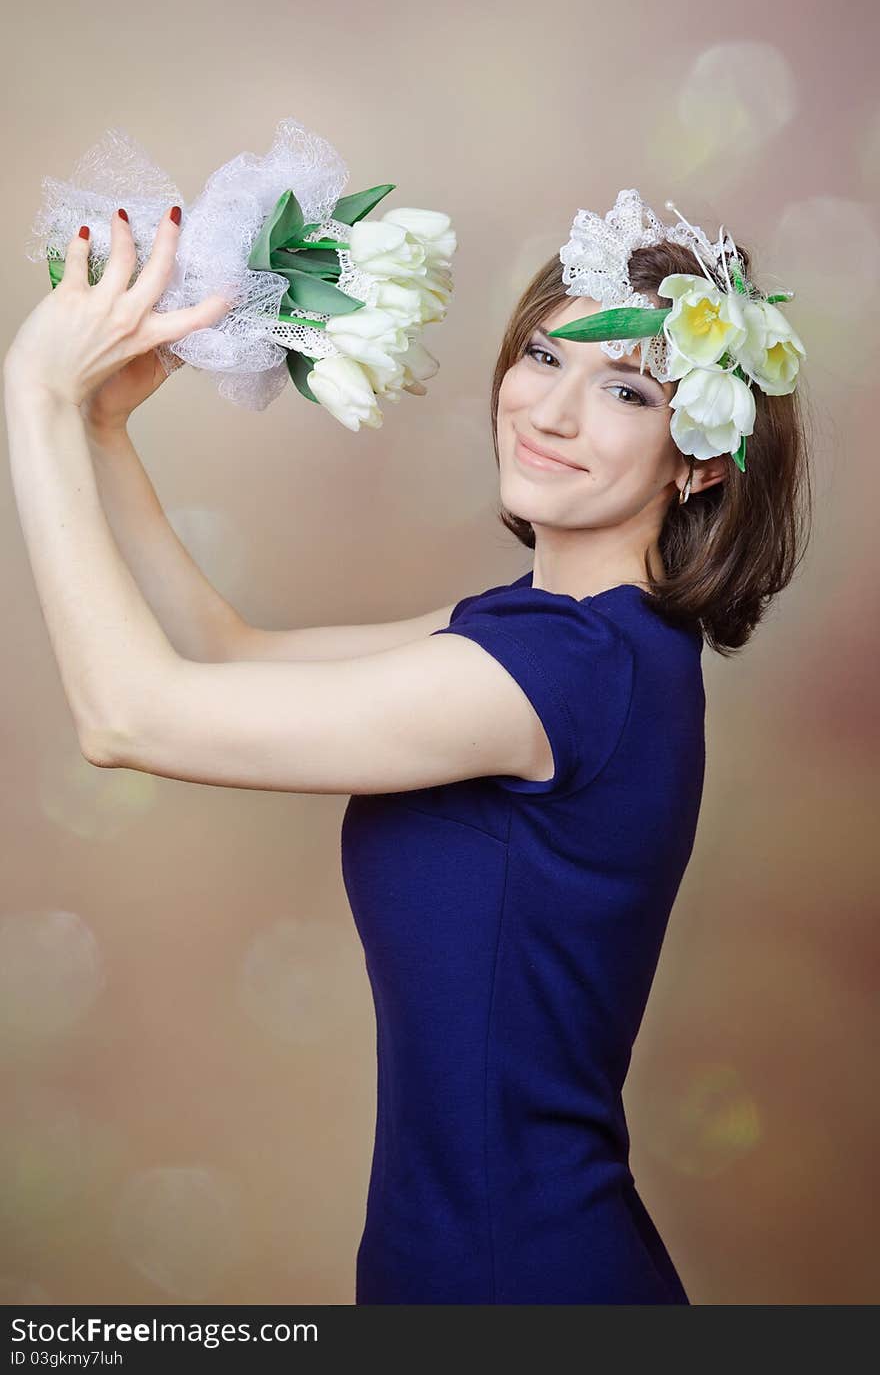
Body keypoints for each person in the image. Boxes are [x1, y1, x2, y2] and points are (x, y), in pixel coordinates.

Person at [4, 193, 813, 1305]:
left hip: (512, 1279)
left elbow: (127, 717)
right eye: (541, 354)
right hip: (465, 1265)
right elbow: (226, 652)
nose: (551, 410)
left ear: (700, 463)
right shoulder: (551, 640)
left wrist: (35, 397)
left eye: (624, 390)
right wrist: (100, 430)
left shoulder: (561, 676)